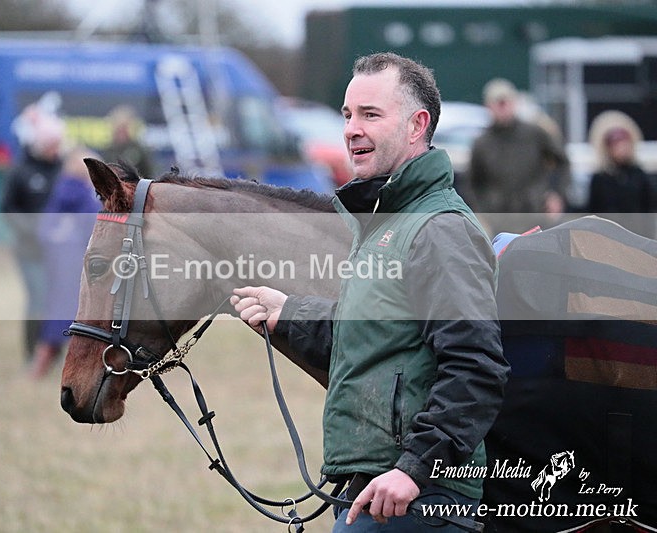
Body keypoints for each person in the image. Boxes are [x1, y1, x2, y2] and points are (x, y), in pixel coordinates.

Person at [231, 52, 509, 532]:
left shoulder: (440, 229)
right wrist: (290, 313)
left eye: (370, 114)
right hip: (376, 489)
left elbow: (476, 367)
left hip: (418, 498)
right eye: (347, 115)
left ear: (417, 125)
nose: (351, 129)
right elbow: (379, 339)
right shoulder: (386, 224)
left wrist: (415, 468)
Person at [0, 104, 65, 364]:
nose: (55, 149)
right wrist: (31, 231)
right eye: (51, 144)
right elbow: (7, 208)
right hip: (30, 251)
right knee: (38, 300)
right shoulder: (20, 170)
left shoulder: (64, 170)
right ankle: (32, 355)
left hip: (60, 251)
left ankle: (58, 354)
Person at [30, 146, 100, 379]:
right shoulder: (87, 198)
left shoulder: (60, 192)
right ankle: (74, 373)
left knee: (57, 319)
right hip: (79, 267)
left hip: (59, 265)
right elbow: (96, 232)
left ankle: (39, 371)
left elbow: (44, 230)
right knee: (79, 322)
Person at [468, 78, 571, 232]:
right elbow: (472, 182)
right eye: (497, 103)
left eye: (505, 102)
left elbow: (562, 162)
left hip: (535, 214)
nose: (502, 108)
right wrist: (481, 212)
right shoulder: (481, 143)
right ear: (488, 106)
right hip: (499, 220)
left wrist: (557, 194)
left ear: (514, 103)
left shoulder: (535, 134)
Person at [586, 110, 655, 238]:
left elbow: (648, 209)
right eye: (616, 144)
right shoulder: (600, 179)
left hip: (637, 235)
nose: (622, 148)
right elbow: (593, 210)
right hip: (608, 237)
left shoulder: (639, 175)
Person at [101, 105, 153, 178]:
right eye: (118, 128)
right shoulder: (109, 151)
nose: (121, 132)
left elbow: (150, 174)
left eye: (124, 128)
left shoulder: (140, 150)